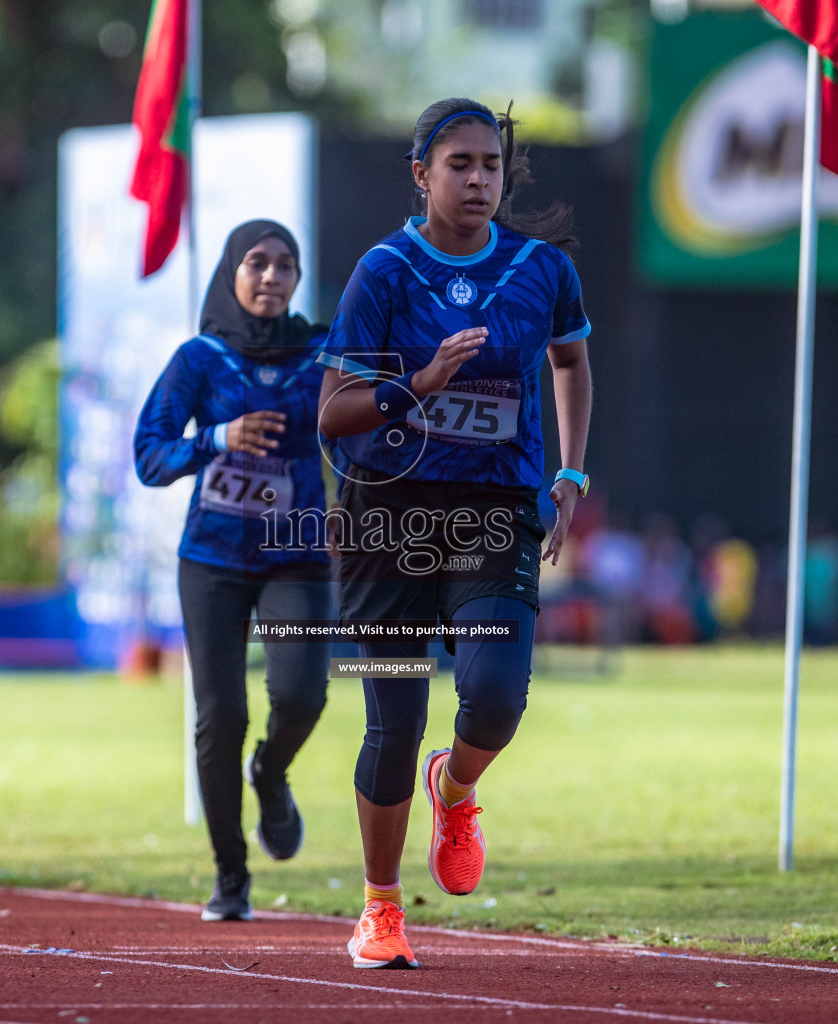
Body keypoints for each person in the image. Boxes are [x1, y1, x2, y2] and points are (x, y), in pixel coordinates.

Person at [317, 97, 592, 969]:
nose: (478, 180)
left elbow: (572, 359)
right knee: (393, 720)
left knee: (498, 695)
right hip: (384, 519)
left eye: (490, 166)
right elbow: (333, 415)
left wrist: (571, 471)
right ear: (421, 176)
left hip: (494, 512)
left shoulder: (541, 269)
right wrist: (421, 382)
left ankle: (458, 783)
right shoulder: (385, 271)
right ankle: (381, 909)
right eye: (459, 165)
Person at [134, 221, 332, 922]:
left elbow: (374, 415)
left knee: (303, 696)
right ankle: (230, 875)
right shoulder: (201, 359)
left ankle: (270, 773)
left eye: (287, 265)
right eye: (257, 263)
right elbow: (149, 455)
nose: (272, 276)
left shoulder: (323, 354)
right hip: (213, 562)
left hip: (299, 557)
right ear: (231, 272)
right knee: (221, 715)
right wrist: (216, 438)